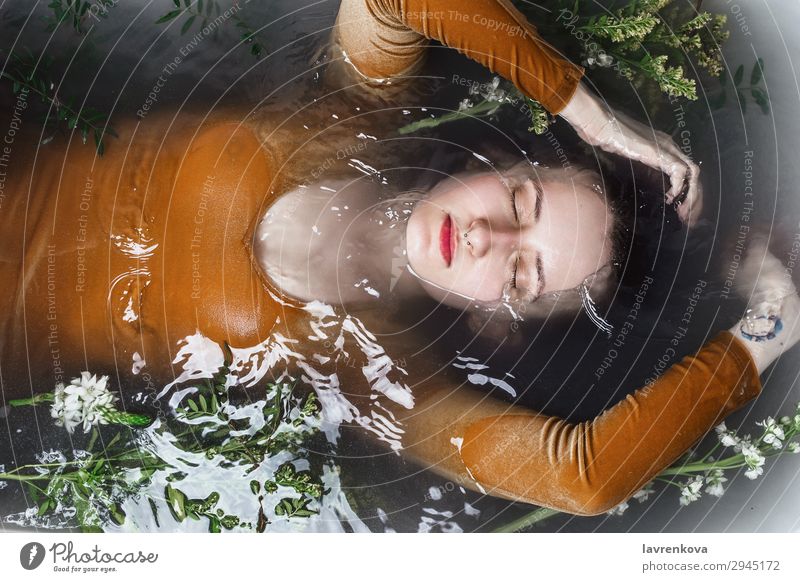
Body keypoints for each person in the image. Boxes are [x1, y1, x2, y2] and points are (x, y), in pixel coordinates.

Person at [0, 0, 795, 516]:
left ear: (501, 327)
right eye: (521, 204)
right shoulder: (346, 112)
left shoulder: (381, 379)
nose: (487, 236)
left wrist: (771, 328)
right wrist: (592, 116)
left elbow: (582, 479)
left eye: (521, 274)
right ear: (496, 158)